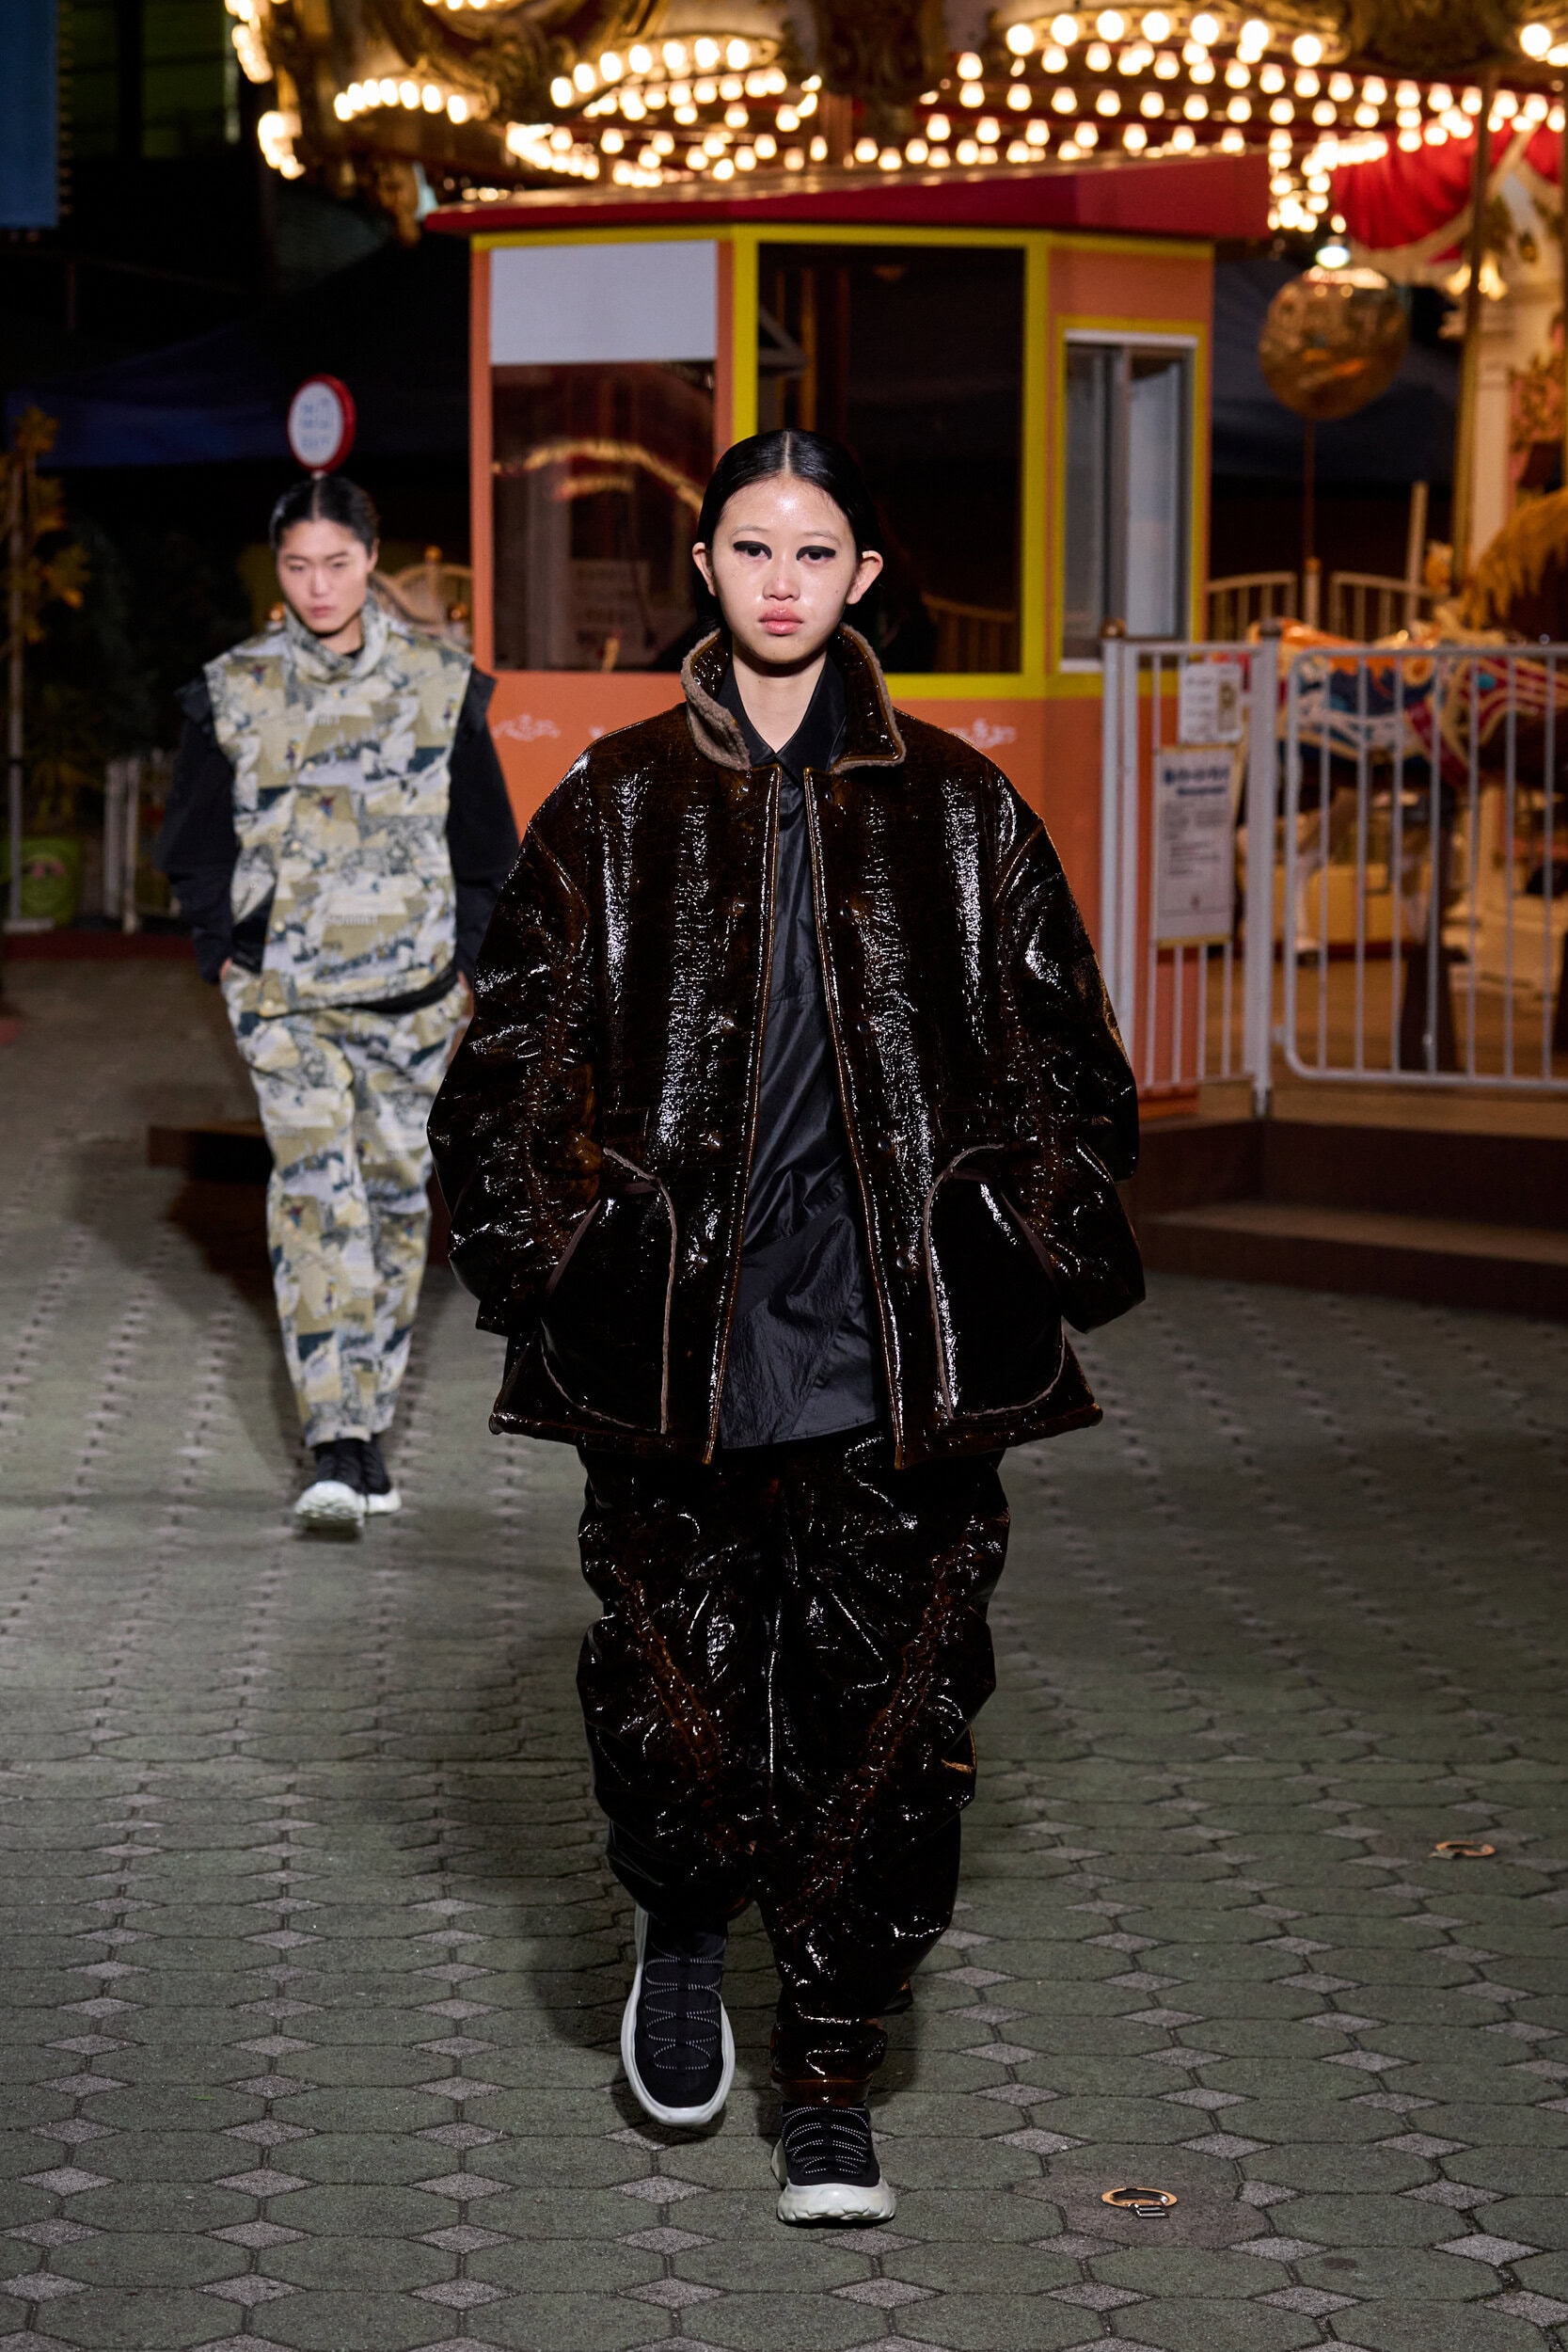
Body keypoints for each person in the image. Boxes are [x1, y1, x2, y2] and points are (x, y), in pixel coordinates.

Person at [428, 429, 1142, 2225]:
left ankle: (830, 2062)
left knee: (888, 1706)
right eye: (750, 548)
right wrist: (557, 1261)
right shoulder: (614, 803)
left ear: (862, 580)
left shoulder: (959, 811)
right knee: (671, 1682)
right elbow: (505, 1069)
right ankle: (678, 1927)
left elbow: (1069, 1056)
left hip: (897, 1337)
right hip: (676, 1329)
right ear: (703, 566)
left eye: (813, 552)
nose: (779, 582)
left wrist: (1018, 1244)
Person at [158, 475, 518, 1531]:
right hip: (287, 1002)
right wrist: (227, 957)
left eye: (338, 563)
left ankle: (369, 1423)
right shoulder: (231, 689)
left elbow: (486, 848)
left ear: (371, 560)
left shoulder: (441, 684)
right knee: (319, 1198)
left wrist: (464, 968)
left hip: (416, 1000)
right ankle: (337, 1443)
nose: (318, 585)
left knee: (398, 1204)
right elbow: (192, 844)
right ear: (279, 570)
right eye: (298, 566)